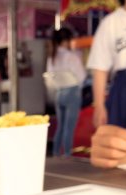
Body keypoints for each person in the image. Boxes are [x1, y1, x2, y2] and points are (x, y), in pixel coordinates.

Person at [87, 0, 126, 130]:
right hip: (123, 87)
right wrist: (99, 106)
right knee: (119, 142)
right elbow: (100, 67)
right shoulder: (110, 22)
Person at [46, 27, 86, 157]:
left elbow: (50, 77)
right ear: (66, 40)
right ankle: (67, 154)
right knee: (69, 127)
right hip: (72, 91)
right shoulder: (71, 56)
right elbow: (81, 76)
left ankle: (56, 153)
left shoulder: (52, 57)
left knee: (60, 126)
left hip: (59, 93)